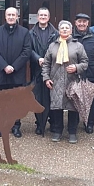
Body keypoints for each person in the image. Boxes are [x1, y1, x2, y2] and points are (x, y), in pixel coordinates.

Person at [42, 20, 88, 144]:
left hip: (72, 81)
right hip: (56, 81)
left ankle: (72, 132)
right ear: (59, 30)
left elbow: (85, 62)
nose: (64, 30)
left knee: (73, 107)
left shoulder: (78, 45)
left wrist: (77, 68)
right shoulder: (53, 46)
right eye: (62, 28)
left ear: (71, 30)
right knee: (57, 107)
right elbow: (46, 64)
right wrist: (46, 78)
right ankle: (57, 131)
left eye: (67, 28)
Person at [0, 7, 31, 138]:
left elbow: (27, 51)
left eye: (13, 15)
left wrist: (14, 66)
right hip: (1, 73)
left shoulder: (24, 32)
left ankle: (16, 126)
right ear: (5, 17)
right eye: (9, 15)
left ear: (17, 16)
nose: (11, 17)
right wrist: (4, 66)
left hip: (17, 73)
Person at [29, 7, 58, 135]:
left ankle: (52, 122)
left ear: (49, 17)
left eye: (45, 15)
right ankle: (39, 124)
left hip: (53, 70)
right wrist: (37, 58)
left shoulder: (56, 33)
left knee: (52, 97)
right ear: (37, 16)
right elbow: (28, 49)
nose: (43, 17)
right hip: (36, 69)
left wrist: (48, 59)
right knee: (38, 97)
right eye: (41, 15)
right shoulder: (30, 33)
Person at [72, 13, 94, 134]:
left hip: (90, 72)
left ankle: (89, 123)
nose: (82, 24)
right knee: (74, 98)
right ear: (75, 23)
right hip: (73, 73)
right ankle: (74, 122)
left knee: (91, 99)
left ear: (88, 23)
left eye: (84, 22)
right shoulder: (70, 36)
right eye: (79, 21)